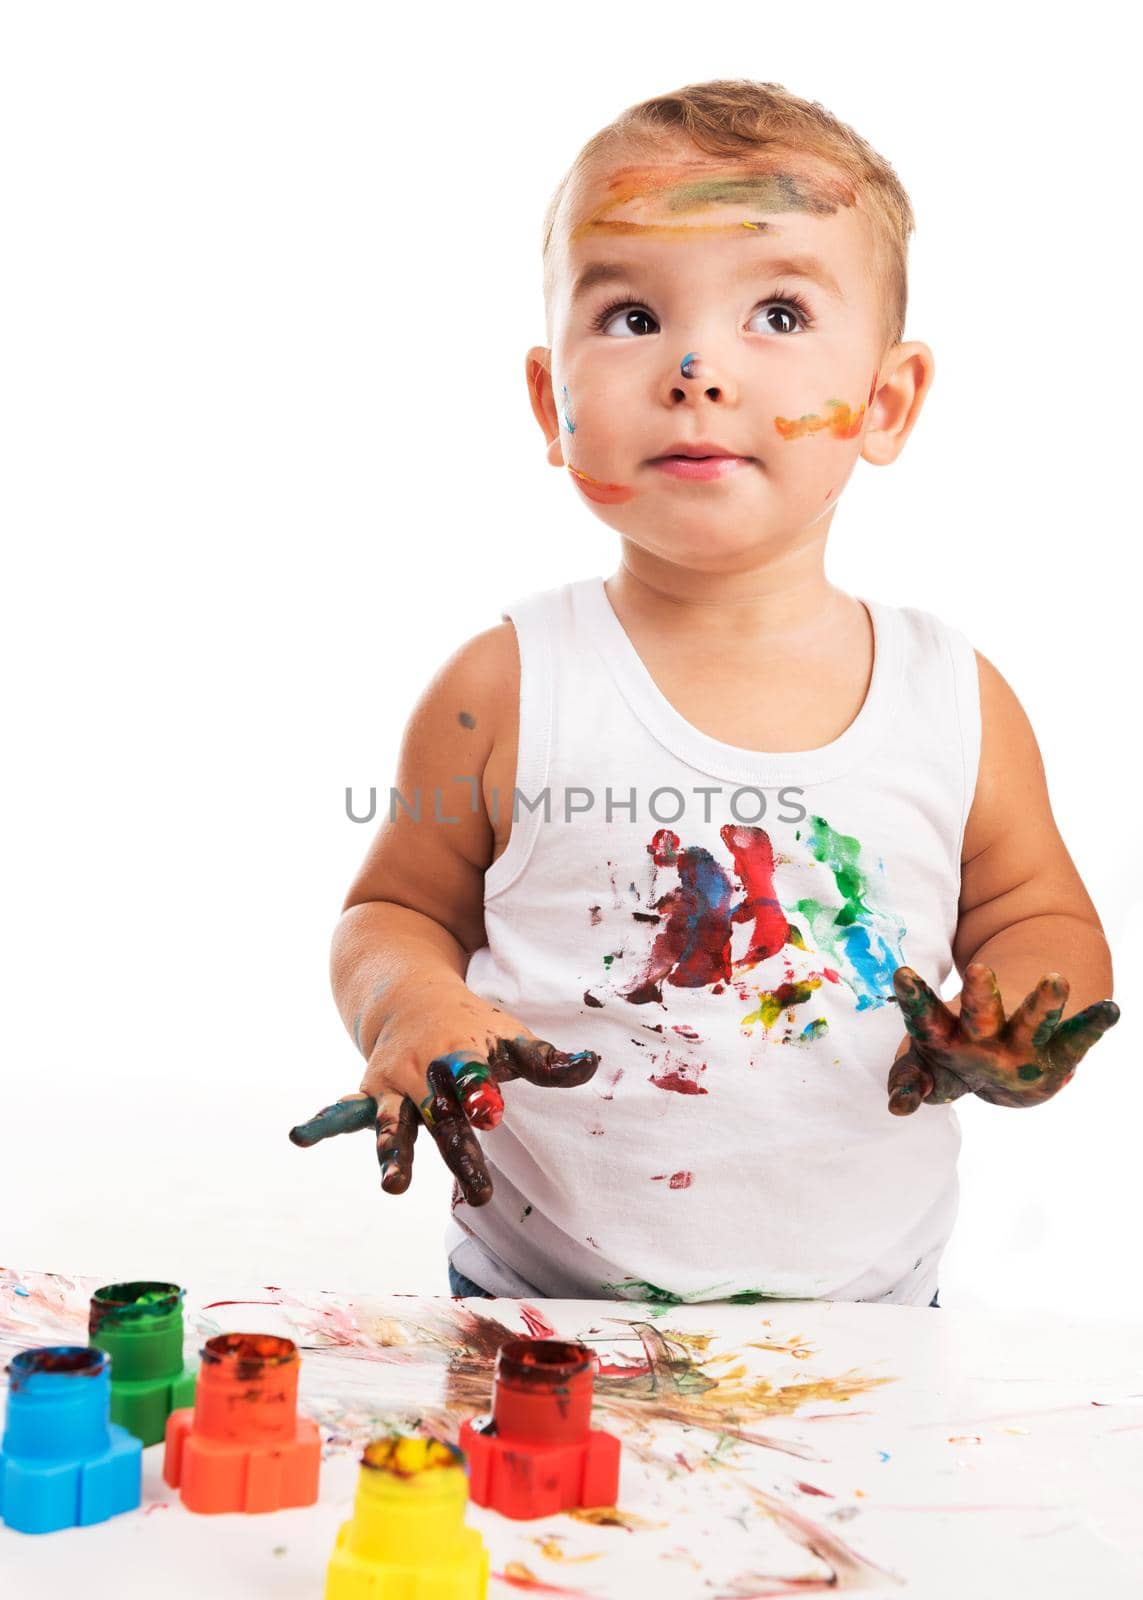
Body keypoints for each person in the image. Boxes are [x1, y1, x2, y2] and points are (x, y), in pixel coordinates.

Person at [290, 79, 1118, 1309]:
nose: (693, 366)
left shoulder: (954, 697)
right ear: (548, 402)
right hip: (534, 1300)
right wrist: (412, 1002)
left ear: (885, 404)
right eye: (628, 313)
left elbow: (1042, 916)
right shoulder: (503, 685)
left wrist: (1021, 1020)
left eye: (777, 311)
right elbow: (391, 912)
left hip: (872, 1319)